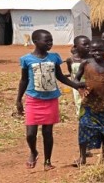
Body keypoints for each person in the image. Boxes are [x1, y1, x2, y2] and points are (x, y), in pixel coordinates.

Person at [16, 29, 85, 171]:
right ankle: (33, 152)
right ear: (35, 42)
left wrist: (76, 86)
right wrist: (18, 100)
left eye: (51, 40)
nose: (50, 43)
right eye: (46, 41)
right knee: (30, 134)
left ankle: (47, 161)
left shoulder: (54, 58)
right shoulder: (26, 59)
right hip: (33, 99)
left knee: (47, 132)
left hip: (51, 99)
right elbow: (23, 80)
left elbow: (60, 77)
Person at [73, 39, 104, 167]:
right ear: (90, 51)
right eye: (93, 50)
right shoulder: (85, 63)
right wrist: (81, 89)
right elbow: (76, 79)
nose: (97, 53)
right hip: (89, 102)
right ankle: (82, 157)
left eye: (100, 50)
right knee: (83, 126)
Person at [65, 36, 91, 117]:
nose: (87, 46)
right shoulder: (70, 60)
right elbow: (71, 72)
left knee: (90, 101)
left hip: (90, 83)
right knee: (79, 102)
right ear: (76, 46)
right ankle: (81, 118)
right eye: (84, 44)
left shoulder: (92, 58)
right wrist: (75, 84)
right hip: (77, 84)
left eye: (89, 44)